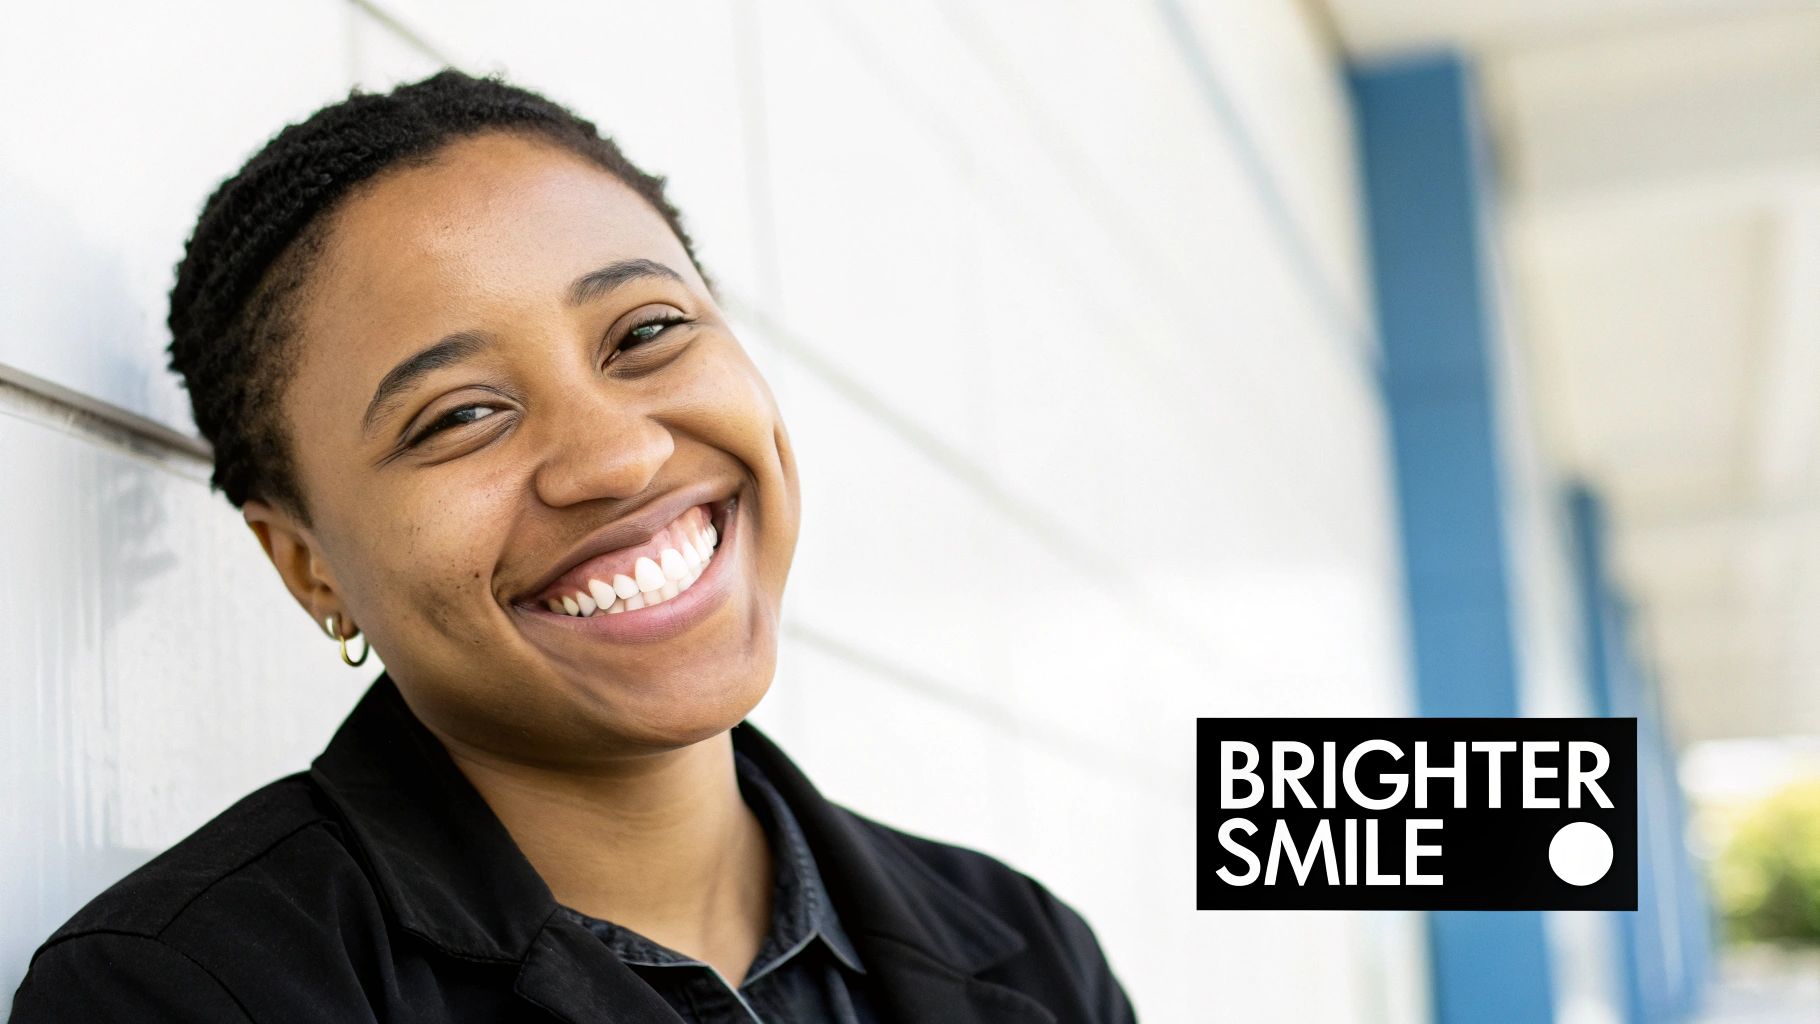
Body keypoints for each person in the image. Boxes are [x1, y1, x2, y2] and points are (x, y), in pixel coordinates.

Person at [9, 69, 1135, 1023]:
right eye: (458, 415)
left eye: (644, 333)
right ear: (308, 566)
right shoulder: (185, 989)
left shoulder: (1030, 953)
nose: (614, 458)